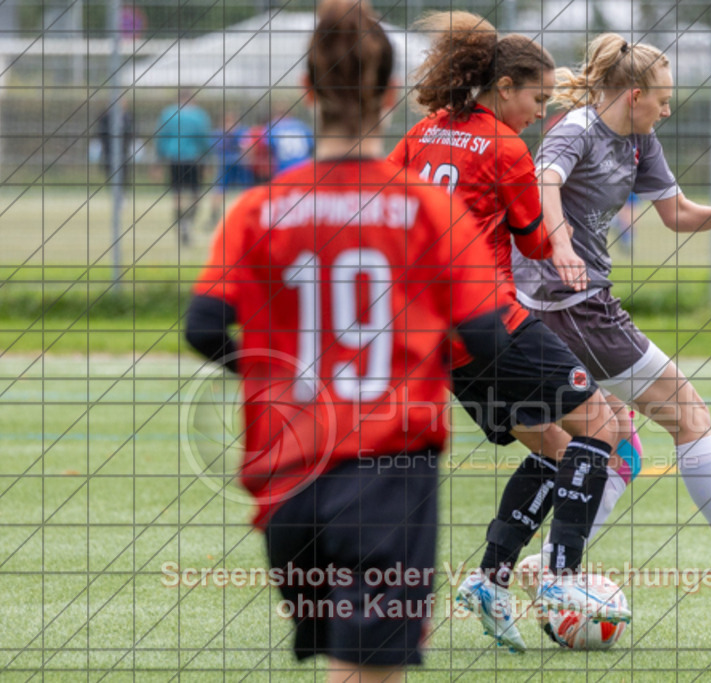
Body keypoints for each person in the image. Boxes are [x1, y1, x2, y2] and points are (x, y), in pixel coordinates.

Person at [184, 1, 517, 678]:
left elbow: (202, 327)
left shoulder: (259, 208)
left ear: (307, 90)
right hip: (386, 475)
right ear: (393, 96)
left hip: (288, 479)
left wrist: (271, 373)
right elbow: (486, 333)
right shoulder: (430, 210)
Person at [511, 34, 711, 600]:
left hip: (579, 306)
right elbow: (542, 183)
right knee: (689, 413)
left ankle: (549, 567)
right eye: (662, 98)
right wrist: (560, 243)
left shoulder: (640, 139)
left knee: (622, 443)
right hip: (570, 306)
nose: (667, 109)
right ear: (632, 95)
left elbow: (675, 214)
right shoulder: (576, 129)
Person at [388, 12, 633, 653]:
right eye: (536, 97)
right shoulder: (503, 148)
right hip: (491, 320)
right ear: (502, 87)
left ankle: (492, 582)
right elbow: (531, 238)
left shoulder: (421, 134)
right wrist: (569, 251)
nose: (538, 110)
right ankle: (561, 580)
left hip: (436, 339)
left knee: (554, 448)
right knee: (601, 429)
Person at [155, 90, 212, 244]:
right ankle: (188, 223)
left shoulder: (168, 113)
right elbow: (204, 140)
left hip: (174, 158)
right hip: (193, 159)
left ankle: (180, 223)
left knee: (177, 194)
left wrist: (159, 161)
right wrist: (207, 161)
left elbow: (161, 138)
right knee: (195, 194)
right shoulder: (199, 115)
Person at [207, 112, 254, 227]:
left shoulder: (242, 132)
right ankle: (214, 217)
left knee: (247, 191)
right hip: (226, 164)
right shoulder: (219, 133)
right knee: (219, 190)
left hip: (240, 164)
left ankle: (248, 215)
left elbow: (247, 146)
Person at [97, 98, 135, 189]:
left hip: (123, 150)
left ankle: (123, 193)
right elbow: (101, 132)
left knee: (124, 172)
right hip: (109, 150)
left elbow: (132, 131)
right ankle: (114, 192)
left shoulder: (128, 116)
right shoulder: (105, 116)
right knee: (110, 171)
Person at [267, 109, 314, 173]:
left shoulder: (273, 127)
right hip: (304, 167)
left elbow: (266, 147)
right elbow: (311, 145)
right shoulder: (302, 126)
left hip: (284, 170)